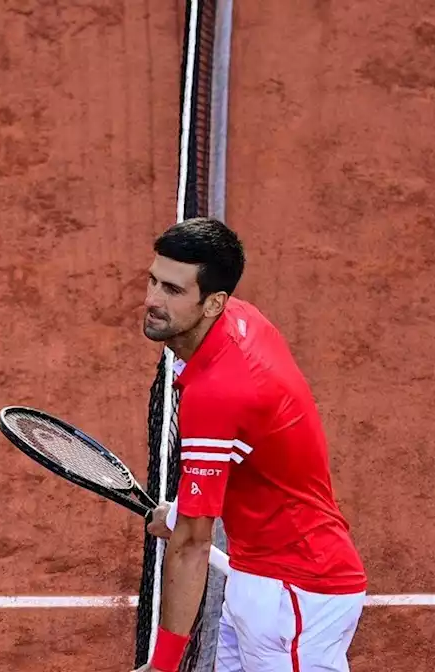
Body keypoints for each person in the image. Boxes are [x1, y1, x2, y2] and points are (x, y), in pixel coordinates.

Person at [134, 218, 367, 672]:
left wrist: (162, 666)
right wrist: (183, 511)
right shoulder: (241, 320)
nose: (152, 301)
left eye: (173, 291)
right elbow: (248, 445)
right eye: (153, 280)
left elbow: (191, 546)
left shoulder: (218, 392)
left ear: (213, 302)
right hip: (256, 578)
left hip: (297, 599)